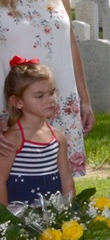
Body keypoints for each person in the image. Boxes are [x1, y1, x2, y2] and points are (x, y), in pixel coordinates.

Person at [0, 0, 94, 175]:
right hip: (14, 113)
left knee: (62, 203)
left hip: (60, 106)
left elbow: (69, 41)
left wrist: (84, 99)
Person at [0, 57, 75, 206]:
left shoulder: (58, 137)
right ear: (17, 102)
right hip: (19, 218)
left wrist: (71, 212)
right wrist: (5, 220)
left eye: (52, 92)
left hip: (52, 216)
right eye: (39, 96)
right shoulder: (13, 138)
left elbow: (65, 177)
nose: (50, 100)